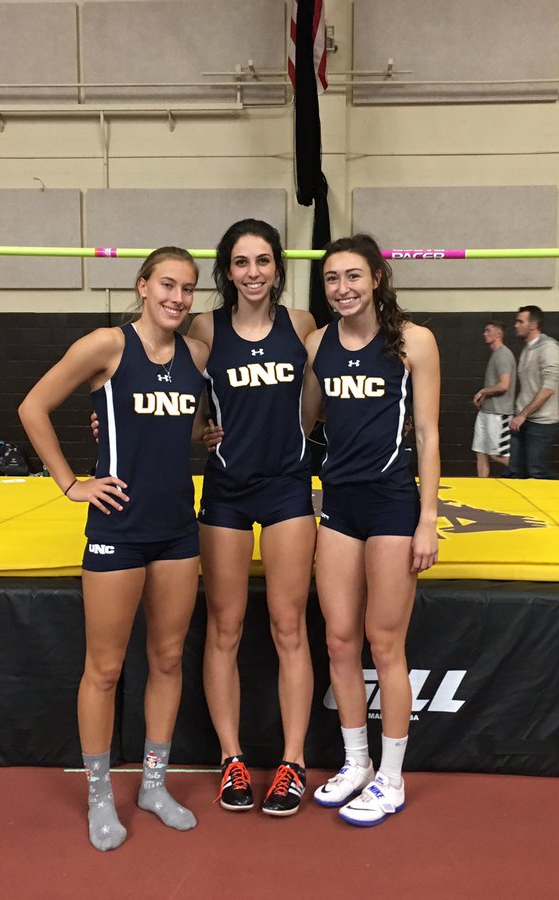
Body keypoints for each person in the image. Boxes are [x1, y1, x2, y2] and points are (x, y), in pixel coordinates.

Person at [18, 248, 208, 852]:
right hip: (118, 528)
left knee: (169, 659)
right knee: (104, 667)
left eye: (188, 289)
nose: (177, 298)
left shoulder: (196, 356)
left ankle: (153, 783)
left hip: (178, 529)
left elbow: (187, 426)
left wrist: (209, 432)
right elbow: (33, 406)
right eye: (167, 285)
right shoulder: (107, 345)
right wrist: (71, 483)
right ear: (142, 286)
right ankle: (101, 792)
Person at [301, 234, 440, 827]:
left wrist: (427, 518)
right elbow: (303, 422)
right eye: (332, 279)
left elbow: (430, 435)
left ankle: (391, 775)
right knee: (338, 641)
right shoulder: (317, 345)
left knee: (385, 644)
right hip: (338, 504)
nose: (343, 288)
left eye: (353, 276)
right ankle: (356, 761)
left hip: (390, 504)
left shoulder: (413, 341)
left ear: (377, 278)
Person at [192, 219, 319, 817]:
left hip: (288, 487)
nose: (253, 273)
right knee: (226, 627)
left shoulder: (300, 326)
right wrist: (198, 431)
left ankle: (292, 762)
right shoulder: (205, 328)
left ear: (277, 267)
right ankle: (232, 760)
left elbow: (315, 401)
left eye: (263, 261)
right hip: (227, 491)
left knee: (289, 626)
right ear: (227, 271)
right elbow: (176, 399)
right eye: (241, 263)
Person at [508, 305, 559, 479]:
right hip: (522, 420)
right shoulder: (526, 350)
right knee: (516, 471)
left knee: (536, 472)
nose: (516, 325)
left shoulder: (549, 348)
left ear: (533, 325)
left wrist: (523, 414)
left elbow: (548, 388)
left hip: (541, 422)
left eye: (520, 321)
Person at [471, 321, 515, 477]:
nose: (485, 334)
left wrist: (483, 391)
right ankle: (482, 487)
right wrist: (485, 396)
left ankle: (522, 475)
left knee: (497, 455)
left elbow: (504, 385)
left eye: (488, 331)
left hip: (499, 413)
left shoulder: (503, 354)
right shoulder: (496, 354)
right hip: (486, 412)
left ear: (498, 334)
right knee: (480, 452)